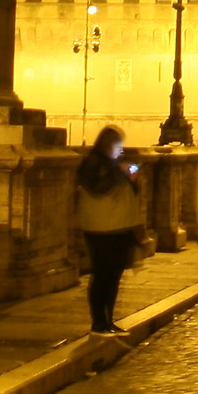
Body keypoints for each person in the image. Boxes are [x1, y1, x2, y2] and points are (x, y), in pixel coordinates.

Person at [76, 126, 147, 334]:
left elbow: (128, 193)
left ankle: (108, 320)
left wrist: (132, 179)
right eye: (117, 145)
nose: (120, 150)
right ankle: (99, 322)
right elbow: (98, 189)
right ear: (107, 144)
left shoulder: (113, 164)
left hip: (119, 226)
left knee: (114, 276)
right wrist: (120, 172)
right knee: (103, 275)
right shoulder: (93, 163)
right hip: (101, 228)